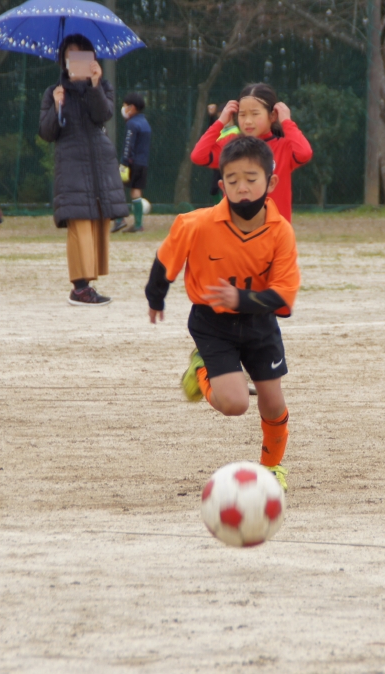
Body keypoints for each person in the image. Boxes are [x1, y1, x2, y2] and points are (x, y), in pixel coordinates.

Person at [146, 136, 299, 490]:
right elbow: (165, 261)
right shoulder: (196, 224)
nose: (242, 188)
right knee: (234, 404)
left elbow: (284, 298)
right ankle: (201, 367)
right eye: (233, 180)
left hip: (260, 324)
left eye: (251, 178)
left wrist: (241, 299)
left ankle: (271, 468)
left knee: (273, 403)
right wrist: (156, 297)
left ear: (271, 182)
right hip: (212, 324)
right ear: (221, 185)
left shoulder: (280, 232)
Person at [38, 34, 128, 307]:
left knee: (98, 221)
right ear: (63, 60)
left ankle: (86, 285)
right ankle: (79, 288)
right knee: (78, 222)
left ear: (92, 59)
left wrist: (95, 84)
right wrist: (57, 105)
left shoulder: (102, 86)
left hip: (99, 162)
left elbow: (103, 115)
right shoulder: (54, 91)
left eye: (81, 54)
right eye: (70, 54)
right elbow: (47, 132)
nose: (74, 60)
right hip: (71, 163)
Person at [190, 83, 312, 222]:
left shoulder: (284, 147)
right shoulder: (230, 144)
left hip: (274, 230)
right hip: (235, 230)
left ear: (272, 116)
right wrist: (221, 121)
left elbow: (304, 153)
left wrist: (286, 121)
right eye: (242, 115)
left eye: (255, 114)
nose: (248, 121)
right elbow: (198, 156)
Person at [112, 92, 152, 234]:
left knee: (117, 187)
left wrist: (124, 163)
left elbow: (128, 145)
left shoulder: (132, 124)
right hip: (143, 163)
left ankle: (119, 219)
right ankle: (138, 224)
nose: (123, 109)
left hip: (131, 163)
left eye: (125, 106)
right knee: (136, 190)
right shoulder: (145, 123)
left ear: (132, 107)